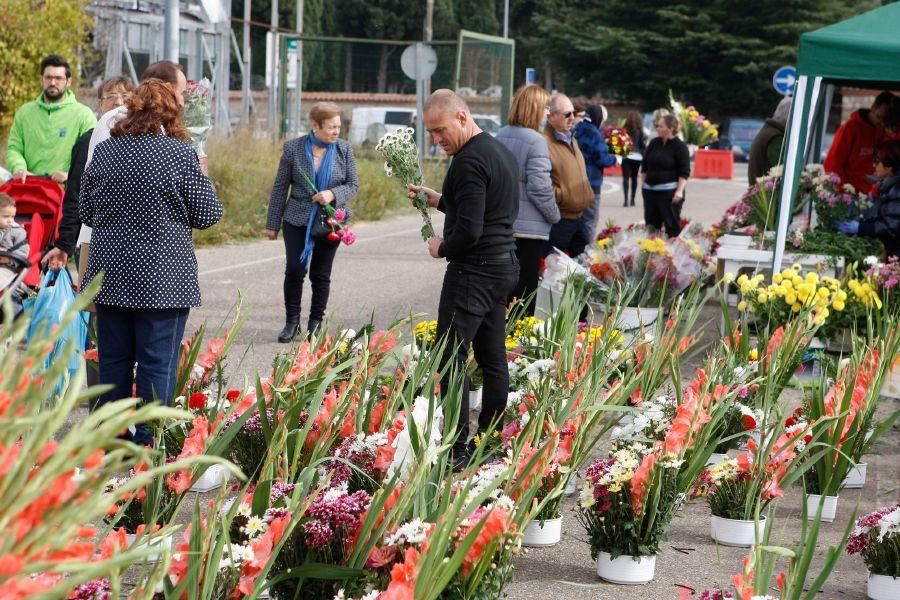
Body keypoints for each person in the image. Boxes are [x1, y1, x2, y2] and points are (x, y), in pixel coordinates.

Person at [79, 79, 222, 445]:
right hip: (163, 278)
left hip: (110, 275)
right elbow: (207, 214)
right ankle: (149, 440)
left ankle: (111, 439)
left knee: (112, 361)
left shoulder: (107, 152)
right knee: (157, 362)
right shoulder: (179, 154)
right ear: (171, 113)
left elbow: (86, 212)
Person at [407, 89, 519, 466]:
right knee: (493, 360)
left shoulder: (468, 162)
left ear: (462, 116)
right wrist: (441, 199)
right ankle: (490, 441)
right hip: (503, 266)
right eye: (431, 134)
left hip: (473, 271)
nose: (437, 141)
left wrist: (442, 247)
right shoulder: (497, 150)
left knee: (451, 361)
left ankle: (454, 448)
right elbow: (484, 207)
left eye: (440, 131)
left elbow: (469, 232)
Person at [266, 102, 359, 342]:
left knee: (320, 274)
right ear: (315, 126)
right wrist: (272, 223)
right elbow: (280, 187)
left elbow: (353, 185)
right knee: (295, 270)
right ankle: (291, 323)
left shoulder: (344, 150)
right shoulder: (293, 149)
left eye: (338, 126)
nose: (336, 132)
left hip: (331, 220)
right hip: (297, 217)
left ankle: (315, 324)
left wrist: (332, 194)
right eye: (331, 127)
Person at [42, 76, 135, 271]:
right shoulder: (88, 141)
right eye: (111, 96)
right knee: (93, 299)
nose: (119, 102)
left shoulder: (143, 141)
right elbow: (75, 195)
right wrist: (65, 244)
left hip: (134, 241)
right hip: (93, 239)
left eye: (125, 96)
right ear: (100, 104)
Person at [496, 84, 559, 314]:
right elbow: (540, 187)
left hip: (503, 225)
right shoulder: (536, 141)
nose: (547, 113)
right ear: (534, 109)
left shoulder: (501, 135)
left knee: (505, 294)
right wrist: (554, 215)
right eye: (545, 108)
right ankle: (519, 347)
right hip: (529, 229)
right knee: (525, 296)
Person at [6, 55, 96, 184]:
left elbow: (92, 154)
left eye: (58, 78)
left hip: (65, 194)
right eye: (48, 77)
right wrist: (18, 167)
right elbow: (13, 148)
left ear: (68, 81)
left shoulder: (84, 115)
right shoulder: (24, 113)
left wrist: (69, 174)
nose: (53, 82)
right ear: (41, 79)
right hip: (29, 188)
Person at [545, 93, 595, 257]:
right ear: (552, 116)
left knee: (582, 268)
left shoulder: (571, 138)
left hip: (579, 217)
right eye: (567, 114)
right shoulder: (543, 142)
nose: (572, 118)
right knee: (553, 272)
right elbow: (540, 184)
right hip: (560, 220)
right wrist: (563, 195)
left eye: (573, 113)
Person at [824, 92, 899, 195]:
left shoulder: (886, 130)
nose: (881, 123)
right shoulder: (851, 129)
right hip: (849, 193)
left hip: (874, 193)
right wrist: (844, 191)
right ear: (872, 107)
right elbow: (832, 165)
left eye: (885, 121)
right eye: (879, 117)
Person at [836, 140, 900, 258]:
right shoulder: (889, 185)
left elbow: (891, 228)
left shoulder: (896, 190)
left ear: (889, 166)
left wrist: (860, 228)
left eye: (877, 162)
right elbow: (884, 218)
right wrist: (862, 224)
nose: (873, 165)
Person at [641, 114, 691, 237]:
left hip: (669, 193)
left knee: (671, 226)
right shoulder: (654, 143)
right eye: (657, 126)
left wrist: (679, 191)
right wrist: (644, 186)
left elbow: (684, 171)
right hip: (650, 192)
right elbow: (645, 166)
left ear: (671, 128)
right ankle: (651, 253)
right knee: (652, 227)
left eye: (661, 126)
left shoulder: (680, 146)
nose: (657, 128)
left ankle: (670, 254)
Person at [574, 104, 617, 243]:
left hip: (575, 181)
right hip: (592, 184)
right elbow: (602, 159)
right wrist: (615, 159)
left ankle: (574, 251)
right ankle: (586, 253)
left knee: (576, 220)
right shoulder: (595, 134)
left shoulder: (577, 129)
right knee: (589, 221)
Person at [748, 97, 792, 184]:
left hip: (761, 192)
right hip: (767, 194)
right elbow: (782, 170)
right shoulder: (775, 137)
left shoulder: (768, 132)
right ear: (789, 118)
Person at [0, 194, 30, 289]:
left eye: (12, 217)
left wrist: (9, 259)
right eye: (6, 217)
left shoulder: (18, 232)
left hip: (7, 267)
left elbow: (23, 251)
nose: (10, 220)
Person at [622, 110, 647, 207]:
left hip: (626, 155)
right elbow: (642, 145)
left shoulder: (624, 129)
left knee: (625, 178)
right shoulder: (640, 130)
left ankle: (625, 200)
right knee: (634, 178)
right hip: (637, 156)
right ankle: (632, 199)